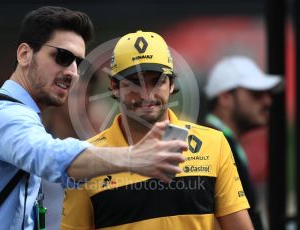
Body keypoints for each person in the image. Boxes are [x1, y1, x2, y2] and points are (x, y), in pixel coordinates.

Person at [0, 7, 188, 229]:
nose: (73, 72)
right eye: (63, 57)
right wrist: (133, 157)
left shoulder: (16, 114)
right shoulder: (3, 115)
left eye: (77, 62)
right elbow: (49, 156)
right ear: (24, 55)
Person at [61, 30, 254, 230]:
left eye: (157, 81)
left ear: (171, 85)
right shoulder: (86, 158)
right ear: (114, 86)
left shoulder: (213, 144)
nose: (146, 94)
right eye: (134, 82)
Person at [203, 55, 282, 229]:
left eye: (266, 94)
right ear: (225, 98)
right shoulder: (211, 146)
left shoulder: (217, 142)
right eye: (255, 93)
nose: (267, 101)